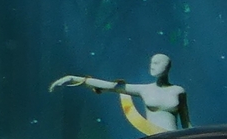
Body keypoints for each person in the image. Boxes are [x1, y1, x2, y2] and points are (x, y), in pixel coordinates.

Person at [50, 53, 189, 134]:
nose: (152, 66)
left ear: (168, 66)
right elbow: (110, 86)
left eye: (157, 63)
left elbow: (186, 124)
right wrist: (73, 79)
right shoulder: (144, 89)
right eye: (151, 62)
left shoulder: (178, 91)